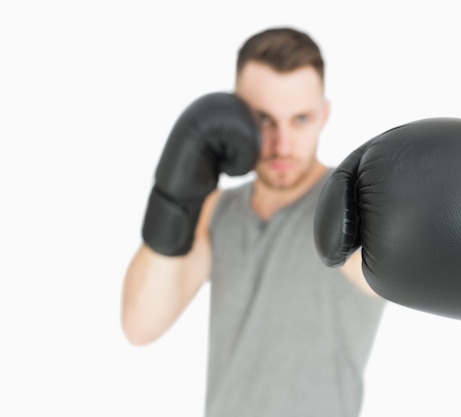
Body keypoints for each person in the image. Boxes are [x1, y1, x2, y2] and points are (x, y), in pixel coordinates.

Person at [121, 27, 386, 417]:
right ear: (235, 115)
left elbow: (376, 275)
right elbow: (140, 325)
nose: (282, 145)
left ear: (323, 115)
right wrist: (176, 196)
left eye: (300, 119)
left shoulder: (348, 204)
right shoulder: (216, 209)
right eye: (264, 120)